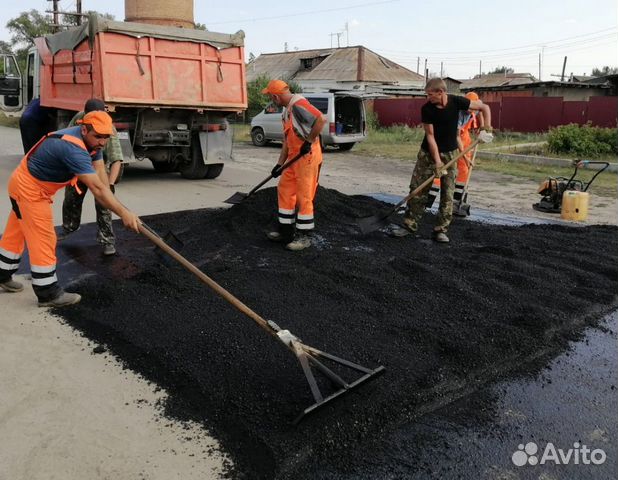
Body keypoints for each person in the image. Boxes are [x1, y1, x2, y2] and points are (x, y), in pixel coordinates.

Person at [0, 111, 140, 307]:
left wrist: (113, 201)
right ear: (84, 129)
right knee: (44, 238)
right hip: (29, 190)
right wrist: (123, 212)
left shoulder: (92, 141)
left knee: (15, 233)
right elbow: (97, 188)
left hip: (29, 184)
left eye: (106, 137)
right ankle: (48, 293)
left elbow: (100, 172)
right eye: (98, 136)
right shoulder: (72, 148)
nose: (102, 142)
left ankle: (2, 273)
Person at [391, 78, 493, 243]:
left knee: (448, 192)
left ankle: (440, 230)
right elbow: (430, 137)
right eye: (427, 95)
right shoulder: (427, 109)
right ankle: (409, 225)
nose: (428, 98)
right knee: (417, 190)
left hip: (450, 153)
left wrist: (486, 128)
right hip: (428, 154)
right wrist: (437, 162)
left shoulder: (457, 102)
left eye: (430, 94)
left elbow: (484, 107)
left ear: (441, 92)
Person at [261, 79, 326, 251]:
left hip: (307, 157)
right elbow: (287, 140)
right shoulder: (287, 111)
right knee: (285, 189)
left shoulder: (299, 104)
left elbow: (321, 119)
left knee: (304, 196)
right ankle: (286, 231)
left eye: (271, 97)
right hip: (293, 158)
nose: (271, 100)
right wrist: (279, 164)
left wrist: (309, 141)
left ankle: (304, 236)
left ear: (275, 96)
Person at [59, 99, 124, 255]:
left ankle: (107, 240)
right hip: (80, 166)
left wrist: (110, 185)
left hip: (101, 168)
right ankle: (69, 228)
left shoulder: (108, 129)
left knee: (104, 205)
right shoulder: (79, 119)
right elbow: (68, 140)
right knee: (71, 199)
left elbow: (116, 160)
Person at [426, 91, 484, 211]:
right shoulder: (456, 114)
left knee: (464, 169)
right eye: (468, 108)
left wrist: (482, 128)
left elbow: (481, 110)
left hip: (464, 137)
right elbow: (456, 137)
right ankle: (427, 202)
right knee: (442, 169)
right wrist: (466, 157)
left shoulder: (475, 107)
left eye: (472, 109)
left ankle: (458, 202)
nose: (470, 111)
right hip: (447, 137)